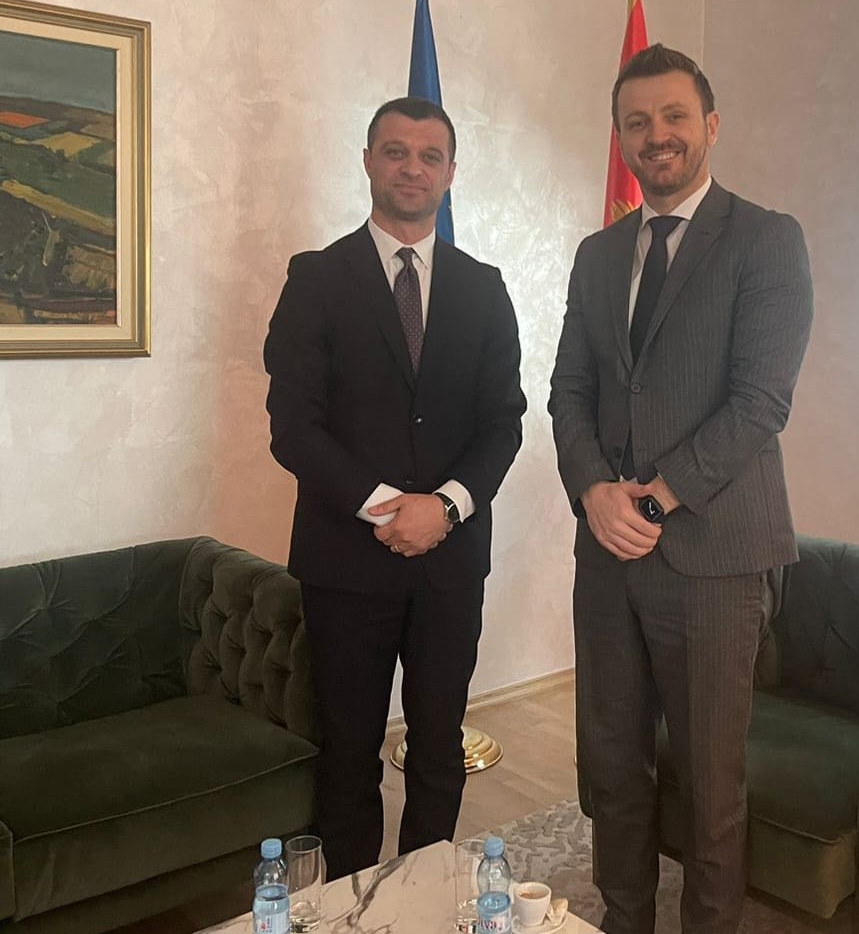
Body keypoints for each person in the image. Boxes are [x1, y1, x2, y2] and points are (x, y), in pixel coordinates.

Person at [549, 45, 814, 934]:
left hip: (713, 557)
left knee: (708, 783)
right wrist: (594, 490)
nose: (655, 135)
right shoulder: (598, 254)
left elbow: (760, 402)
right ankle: (624, 917)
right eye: (636, 121)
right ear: (620, 138)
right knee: (612, 764)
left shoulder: (766, 239)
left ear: (711, 124)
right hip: (607, 554)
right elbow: (569, 390)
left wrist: (655, 498)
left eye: (672, 116)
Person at [264, 97, 525, 879]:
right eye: (396, 151)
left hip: (451, 561)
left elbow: (503, 423)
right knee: (347, 747)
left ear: (451, 172)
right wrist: (390, 508)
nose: (413, 167)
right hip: (346, 563)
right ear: (369, 161)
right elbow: (293, 426)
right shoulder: (316, 278)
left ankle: (424, 892)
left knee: (439, 743)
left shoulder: (484, 287)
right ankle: (352, 906)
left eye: (429, 154)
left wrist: (443, 507)